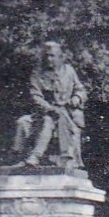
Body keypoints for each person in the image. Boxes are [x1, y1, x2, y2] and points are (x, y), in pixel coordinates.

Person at [14, 41, 87, 169]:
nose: (49, 59)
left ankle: (35, 157)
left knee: (49, 121)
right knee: (22, 122)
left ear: (60, 57)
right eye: (46, 55)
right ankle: (19, 157)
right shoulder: (38, 74)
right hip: (45, 111)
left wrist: (77, 98)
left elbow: (81, 89)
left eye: (52, 56)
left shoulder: (69, 71)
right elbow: (35, 95)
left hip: (66, 114)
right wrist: (48, 108)